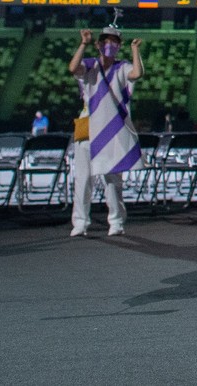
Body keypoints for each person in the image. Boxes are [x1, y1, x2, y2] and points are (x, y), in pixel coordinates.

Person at [67, 21, 144, 237]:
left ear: (119, 46)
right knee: (83, 179)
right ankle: (81, 222)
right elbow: (73, 68)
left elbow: (137, 74)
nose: (110, 45)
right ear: (99, 44)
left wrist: (135, 51)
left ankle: (116, 221)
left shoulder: (122, 67)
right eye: (106, 41)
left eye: (114, 42)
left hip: (112, 129)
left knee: (112, 180)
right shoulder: (90, 65)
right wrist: (83, 44)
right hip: (89, 127)